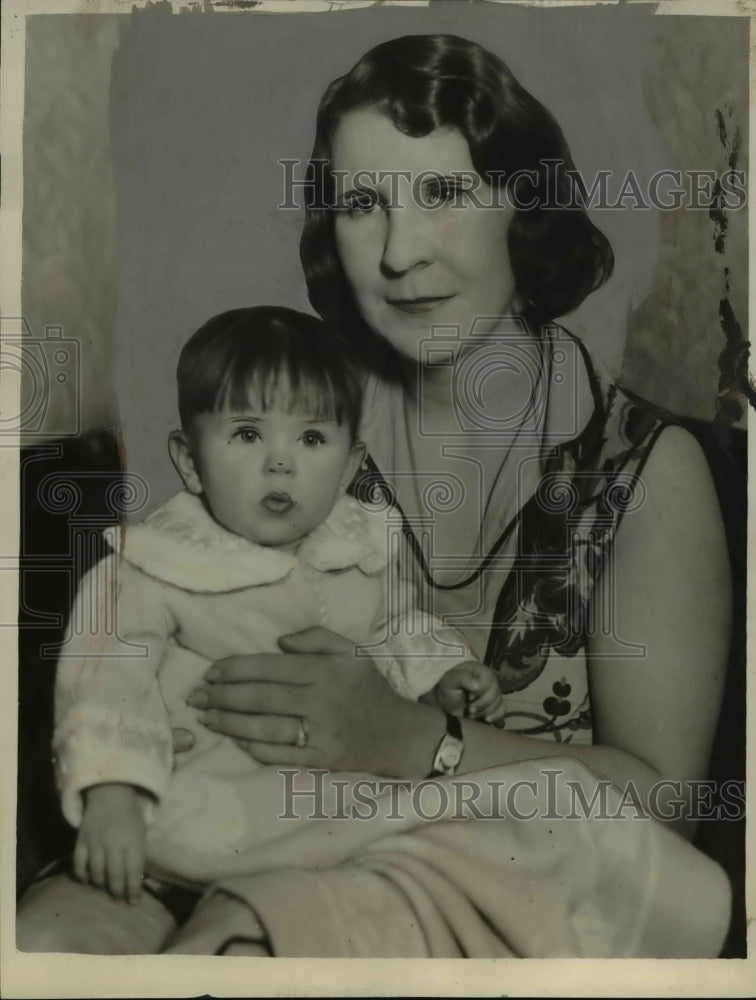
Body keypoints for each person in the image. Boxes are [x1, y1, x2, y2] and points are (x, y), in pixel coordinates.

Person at [18, 33, 733, 958]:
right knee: (51, 945)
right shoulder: (290, 428)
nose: (400, 254)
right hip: (216, 830)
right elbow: (144, 627)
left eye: (442, 195)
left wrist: (411, 740)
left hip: (491, 900)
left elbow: (665, 813)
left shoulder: (641, 470)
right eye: (364, 205)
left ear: (521, 202)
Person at [17, 305, 503, 950]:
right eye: (248, 434)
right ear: (190, 462)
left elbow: (396, 629)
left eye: (311, 439)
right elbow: (105, 682)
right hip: (189, 814)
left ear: (352, 462)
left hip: (329, 829)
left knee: (341, 909)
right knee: (68, 936)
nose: (281, 464)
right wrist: (111, 790)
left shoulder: (360, 549)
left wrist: (442, 675)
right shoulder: (152, 568)